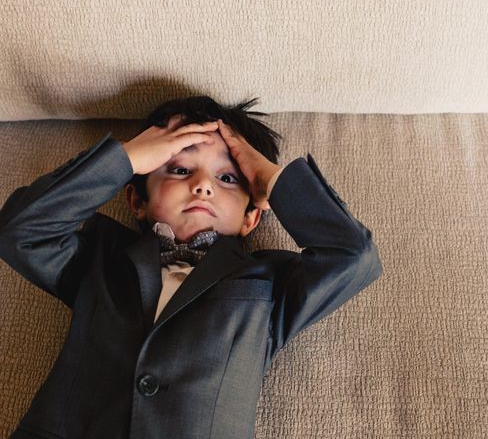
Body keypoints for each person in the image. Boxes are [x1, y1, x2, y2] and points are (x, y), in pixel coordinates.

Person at [0, 95, 383, 439]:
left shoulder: (269, 284)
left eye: (228, 178)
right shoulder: (100, 258)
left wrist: (273, 179)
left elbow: (353, 257)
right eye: (181, 170)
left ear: (251, 218)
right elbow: (20, 232)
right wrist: (127, 158)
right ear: (136, 201)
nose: (203, 185)